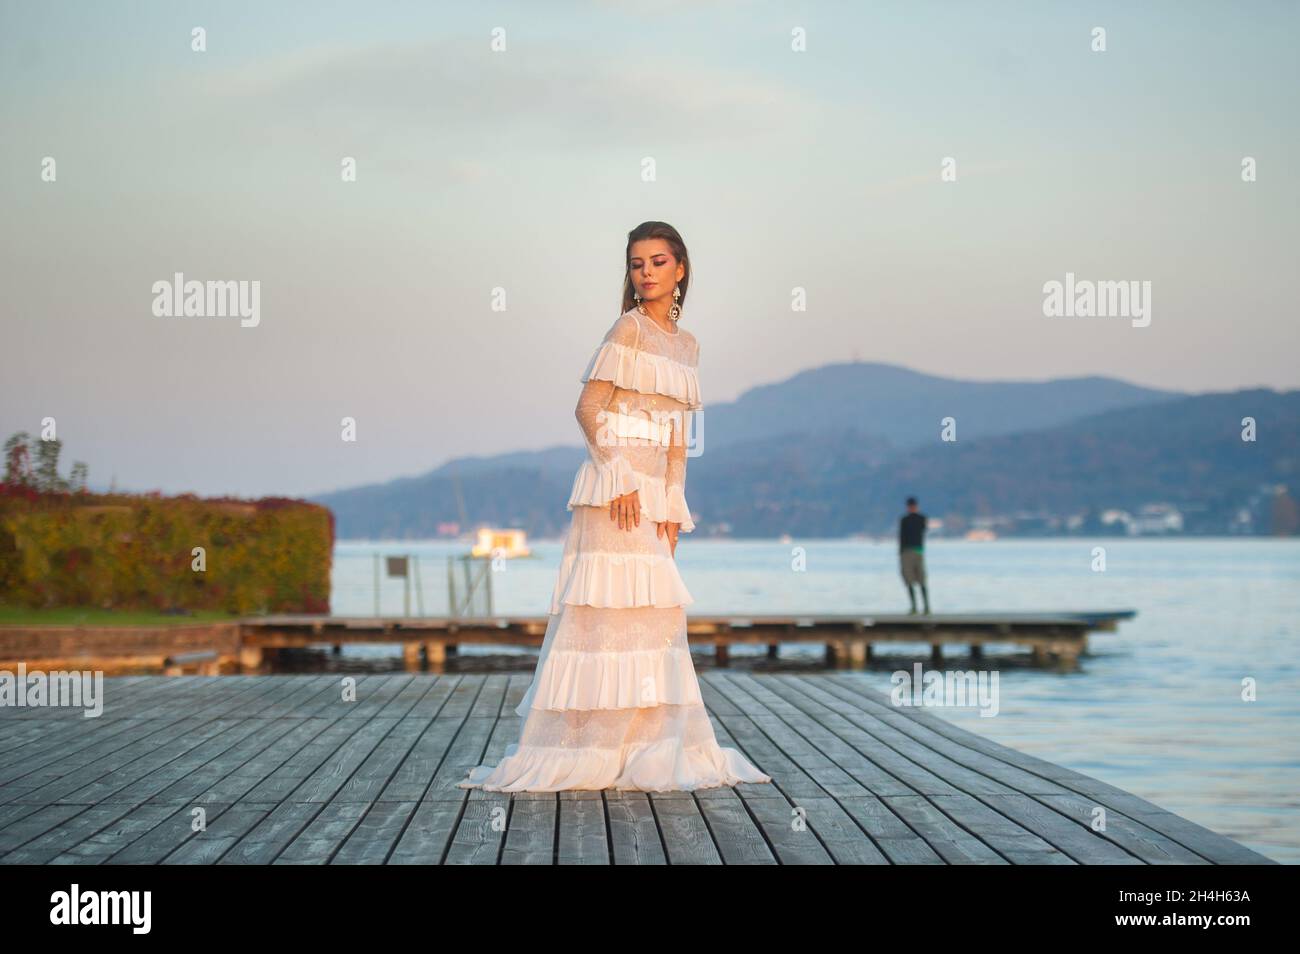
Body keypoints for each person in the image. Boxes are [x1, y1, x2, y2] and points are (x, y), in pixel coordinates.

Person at [459, 221, 772, 792]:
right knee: (605, 621)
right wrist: (620, 477)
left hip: (654, 494)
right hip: (615, 488)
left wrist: (675, 504)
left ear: (680, 268)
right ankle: (589, 748)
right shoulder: (626, 329)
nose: (646, 273)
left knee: (654, 621)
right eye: (636, 263)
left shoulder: (687, 345)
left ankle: (647, 744)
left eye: (657, 262)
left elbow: (679, 432)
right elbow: (587, 407)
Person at [899, 496, 930, 615]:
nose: (911, 508)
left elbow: (923, 529)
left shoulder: (921, 518)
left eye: (912, 506)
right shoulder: (904, 520)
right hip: (907, 551)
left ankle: (926, 607)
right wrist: (900, 552)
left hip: (917, 551)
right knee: (909, 579)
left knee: (921, 579)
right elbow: (901, 537)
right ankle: (914, 607)